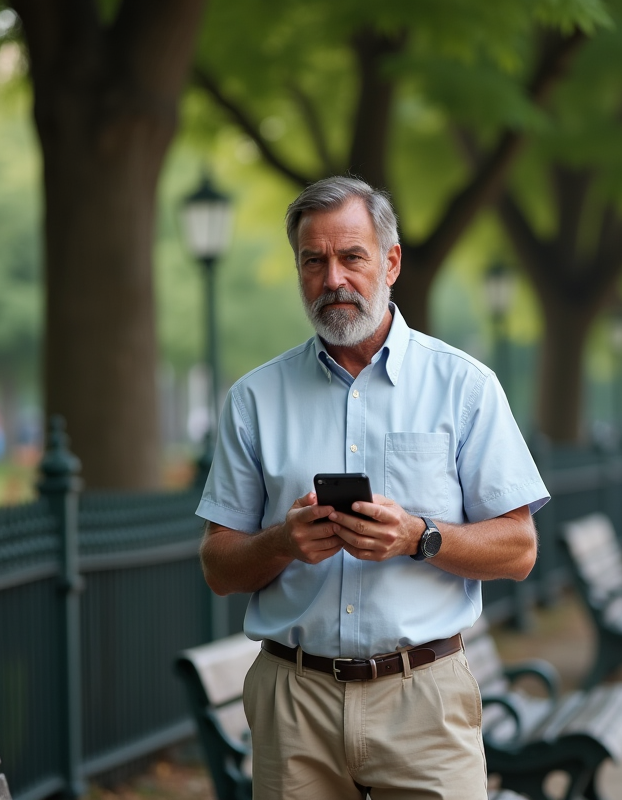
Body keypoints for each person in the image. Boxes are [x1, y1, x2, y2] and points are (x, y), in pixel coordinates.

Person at [196, 176, 549, 800]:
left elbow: (519, 550)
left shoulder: (464, 387)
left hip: (425, 699)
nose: (333, 278)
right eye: (314, 260)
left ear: (390, 261)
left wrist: (420, 536)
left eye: (351, 256)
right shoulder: (252, 400)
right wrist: (283, 541)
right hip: (294, 702)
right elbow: (219, 567)